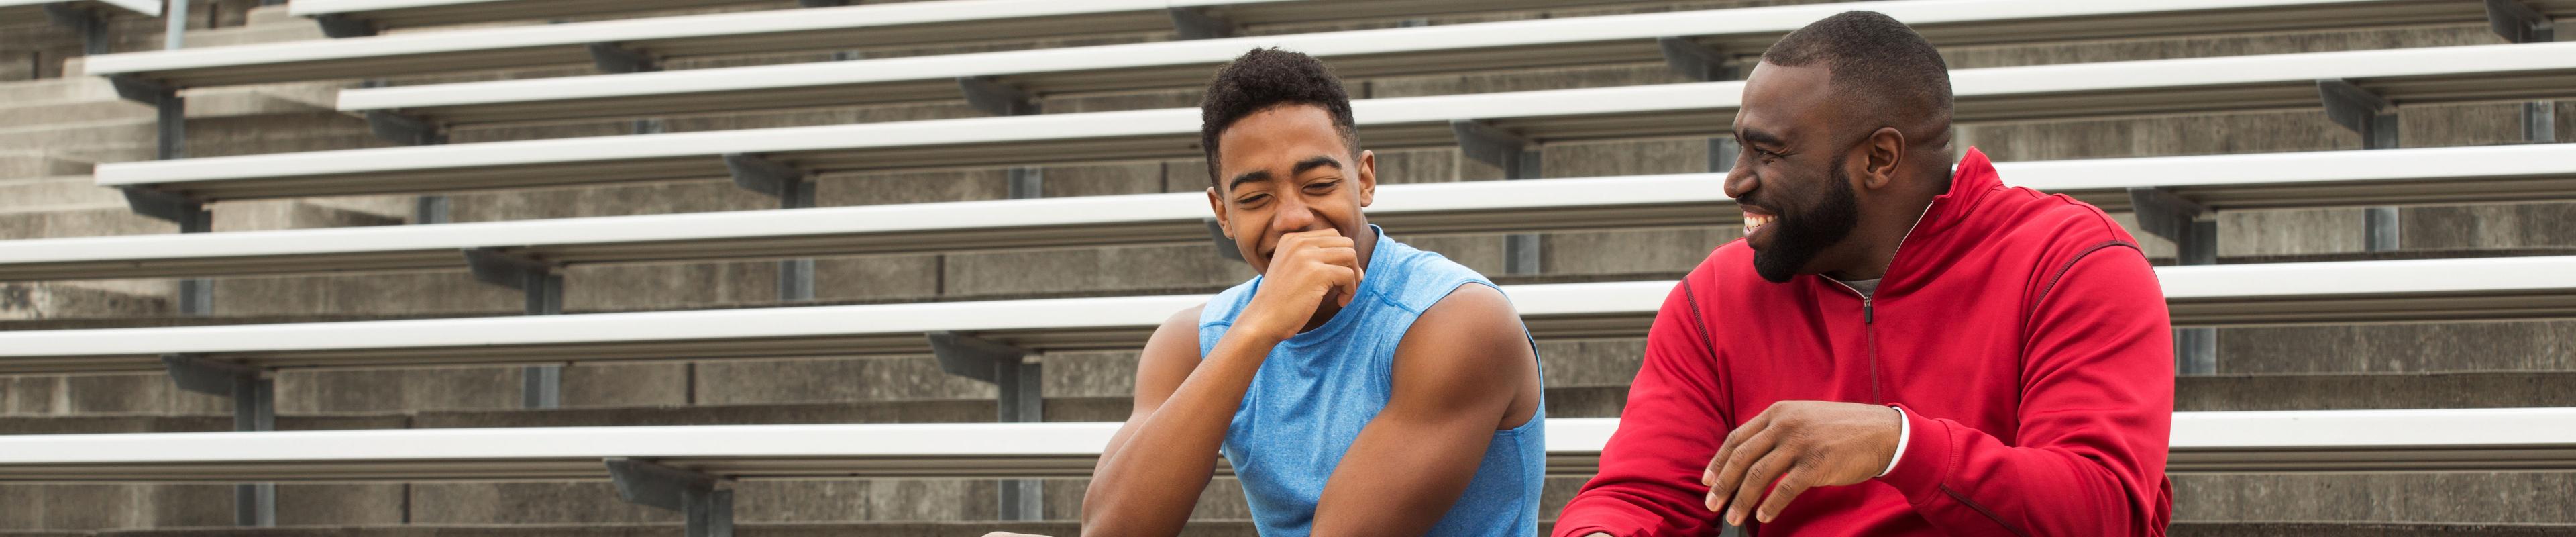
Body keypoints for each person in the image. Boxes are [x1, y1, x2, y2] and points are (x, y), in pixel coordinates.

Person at [1553, 11, 2174, 537]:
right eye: (1740, 148)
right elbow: (1642, 496)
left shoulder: (2071, 262)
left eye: (1768, 153)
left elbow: (2103, 508)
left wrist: (1897, 445)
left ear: (1879, 159)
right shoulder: (1717, 294)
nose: (1736, 181)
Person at [1071, 48, 1548, 536]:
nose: (1294, 218)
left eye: (1318, 185)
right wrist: (1256, 329)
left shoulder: (1457, 320)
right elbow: (1111, 531)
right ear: (1222, 215)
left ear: (1364, 180)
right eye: (1256, 199)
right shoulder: (1191, 341)